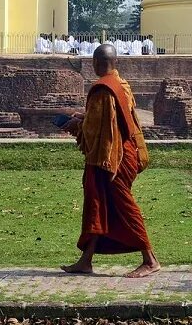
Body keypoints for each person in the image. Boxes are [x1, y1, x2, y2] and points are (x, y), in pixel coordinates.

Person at [60, 44, 159, 278]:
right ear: (116, 63)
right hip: (127, 151)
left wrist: (76, 125)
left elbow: (97, 130)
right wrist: (85, 117)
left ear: (95, 63)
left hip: (113, 157)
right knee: (98, 203)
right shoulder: (121, 85)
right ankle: (86, 260)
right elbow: (112, 119)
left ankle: (150, 259)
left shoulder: (102, 89)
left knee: (124, 205)